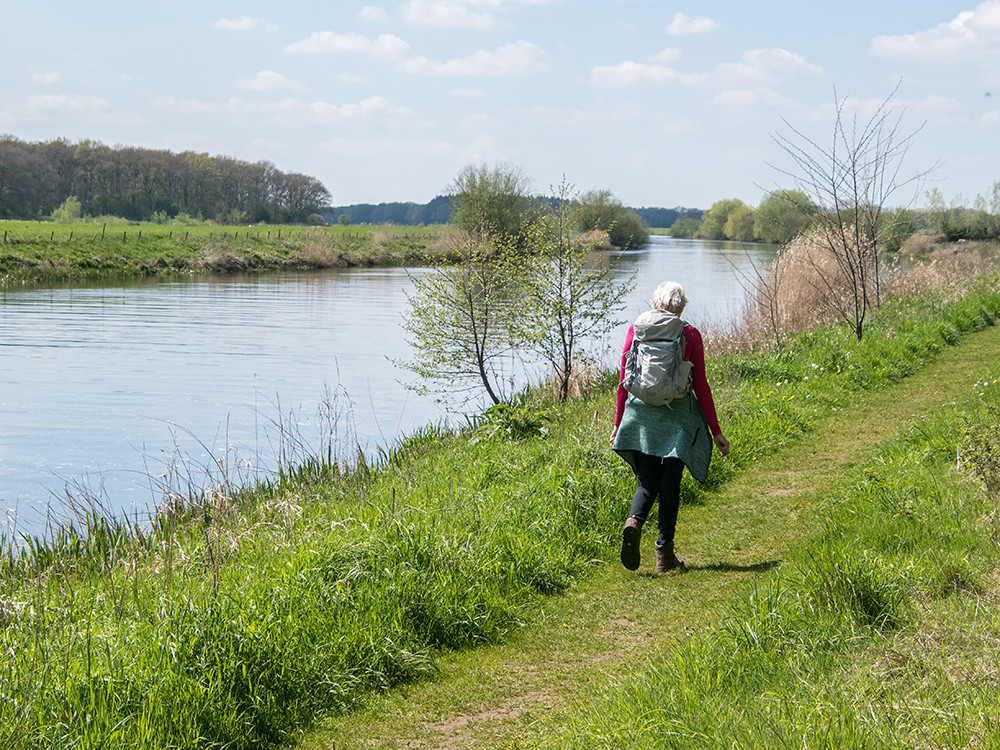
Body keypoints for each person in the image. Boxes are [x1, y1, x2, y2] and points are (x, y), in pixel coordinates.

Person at [610, 281, 730, 573]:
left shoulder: (637, 328)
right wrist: (716, 432)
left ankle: (634, 522)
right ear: (681, 306)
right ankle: (664, 554)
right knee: (671, 483)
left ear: (655, 303)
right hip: (677, 415)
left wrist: (618, 424)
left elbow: (624, 381)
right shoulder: (689, 333)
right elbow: (700, 386)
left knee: (647, 480)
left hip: (642, 413)